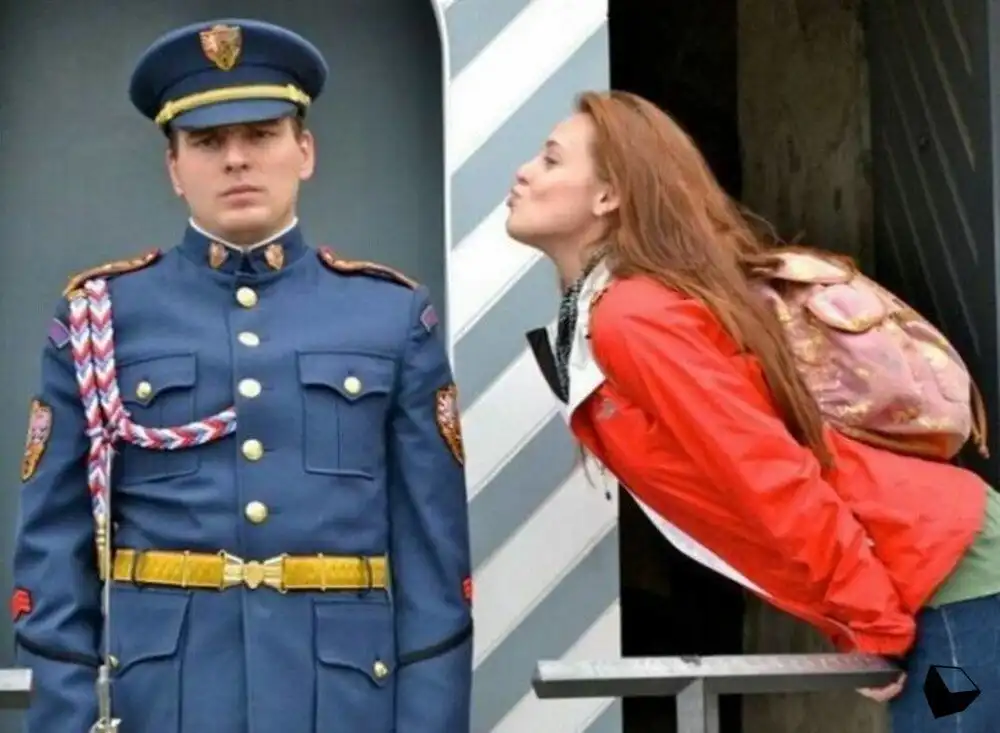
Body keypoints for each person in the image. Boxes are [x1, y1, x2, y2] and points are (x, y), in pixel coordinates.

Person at [10, 18, 473, 733]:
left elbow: (434, 564)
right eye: (206, 142)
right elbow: (53, 552)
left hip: (343, 704)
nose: (236, 160)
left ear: (304, 151)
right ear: (174, 167)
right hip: (161, 703)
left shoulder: (391, 315)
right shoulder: (101, 316)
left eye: (261, 134)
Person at [510, 89, 1000, 732]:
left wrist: (871, 622)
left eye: (550, 159)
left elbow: (768, 472)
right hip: (933, 574)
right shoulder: (615, 315)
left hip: (947, 570)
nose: (524, 172)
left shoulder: (633, 317)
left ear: (609, 196)